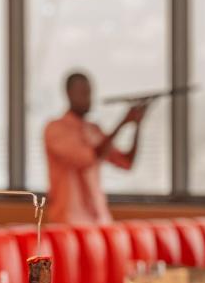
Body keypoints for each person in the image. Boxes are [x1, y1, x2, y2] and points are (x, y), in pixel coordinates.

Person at [44, 71, 146, 225]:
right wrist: (123, 123)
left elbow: (126, 162)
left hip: (99, 221)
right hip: (68, 221)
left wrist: (137, 124)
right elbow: (89, 157)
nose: (88, 98)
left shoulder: (94, 130)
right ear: (69, 93)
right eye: (83, 93)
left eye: (89, 92)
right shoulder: (55, 129)